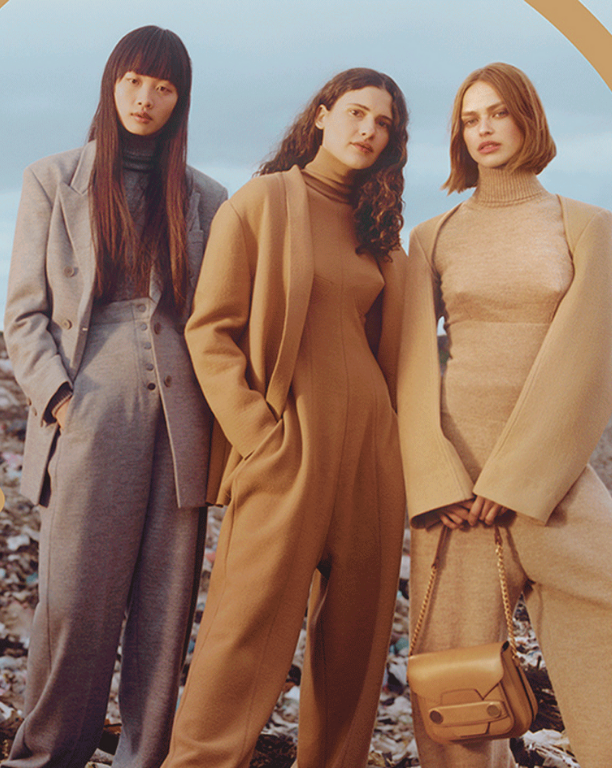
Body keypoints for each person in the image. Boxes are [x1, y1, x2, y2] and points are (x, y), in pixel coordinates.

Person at [396, 62, 612, 767]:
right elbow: (410, 366)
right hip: (457, 489)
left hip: (549, 482)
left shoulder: (583, 224)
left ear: (528, 120)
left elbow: (591, 358)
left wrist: (521, 477)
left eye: (498, 113)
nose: (485, 129)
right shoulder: (432, 236)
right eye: (470, 119)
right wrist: (437, 484)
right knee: (455, 682)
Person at [161, 68, 409, 768]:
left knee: (355, 657)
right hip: (286, 450)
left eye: (384, 123)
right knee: (242, 638)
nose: (368, 130)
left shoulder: (379, 226)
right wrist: (259, 437)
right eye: (357, 113)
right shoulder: (265, 203)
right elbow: (209, 332)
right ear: (323, 115)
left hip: (371, 457)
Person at [1, 25, 227, 768]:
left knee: (164, 615)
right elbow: (25, 313)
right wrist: (61, 402)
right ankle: (45, 756)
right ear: (112, 83)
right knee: (73, 604)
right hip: (90, 405)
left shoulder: (204, 198)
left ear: (180, 101)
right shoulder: (52, 179)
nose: (147, 98)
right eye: (135, 80)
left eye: (164, 88)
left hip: (182, 416)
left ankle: (144, 760)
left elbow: (216, 316)